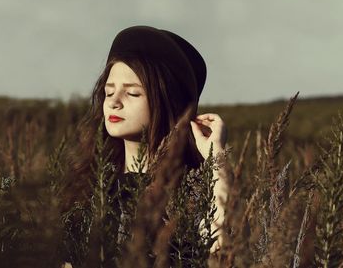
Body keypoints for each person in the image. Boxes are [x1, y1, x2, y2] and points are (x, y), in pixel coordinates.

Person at [61, 25, 228, 267]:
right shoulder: (89, 188)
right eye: (109, 92)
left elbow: (220, 255)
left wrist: (218, 161)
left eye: (132, 94)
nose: (114, 103)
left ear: (167, 101)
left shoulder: (188, 194)